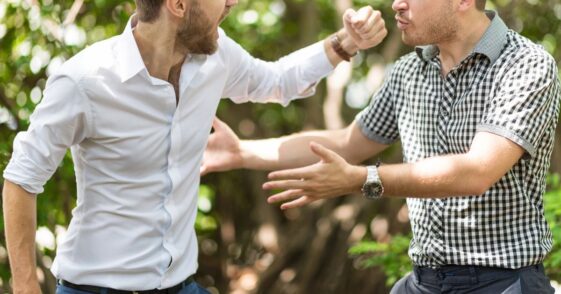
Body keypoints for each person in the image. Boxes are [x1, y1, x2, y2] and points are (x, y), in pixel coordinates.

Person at [1, 0, 388, 293]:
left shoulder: (215, 58)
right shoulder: (84, 81)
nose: (232, 3)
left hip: (181, 284)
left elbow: (278, 81)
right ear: (179, 5)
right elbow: (22, 179)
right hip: (95, 287)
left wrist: (346, 42)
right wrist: (24, 287)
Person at [201, 0, 561, 292]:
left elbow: (478, 171)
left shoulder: (525, 65)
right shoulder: (408, 71)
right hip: (423, 280)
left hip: (503, 282)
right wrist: (242, 152)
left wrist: (362, 179)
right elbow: (349, 143)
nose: (396, 5)